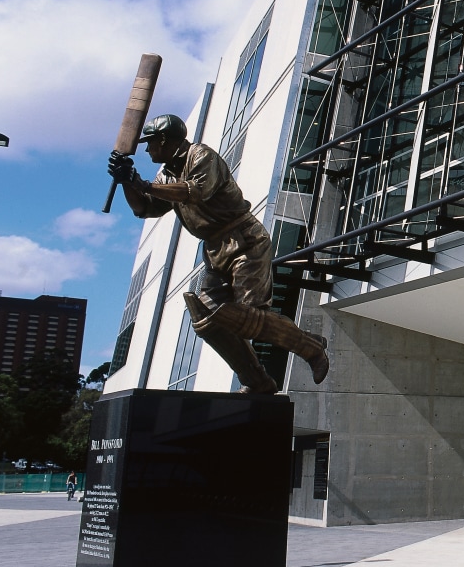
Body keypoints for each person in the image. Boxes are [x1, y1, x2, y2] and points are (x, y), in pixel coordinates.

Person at [108, 113, 328, 394]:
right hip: (214, 249)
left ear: (163, 140)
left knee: (248, 318)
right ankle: (257, 381)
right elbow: (144, 208)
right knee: (207, 321)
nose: (147, 149)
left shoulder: (200, 155)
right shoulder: (166, 173)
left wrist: (144, 185)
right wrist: (127, 180)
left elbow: (194, 192)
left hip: (243, 240)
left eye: (149, 143)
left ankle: (311, 347)